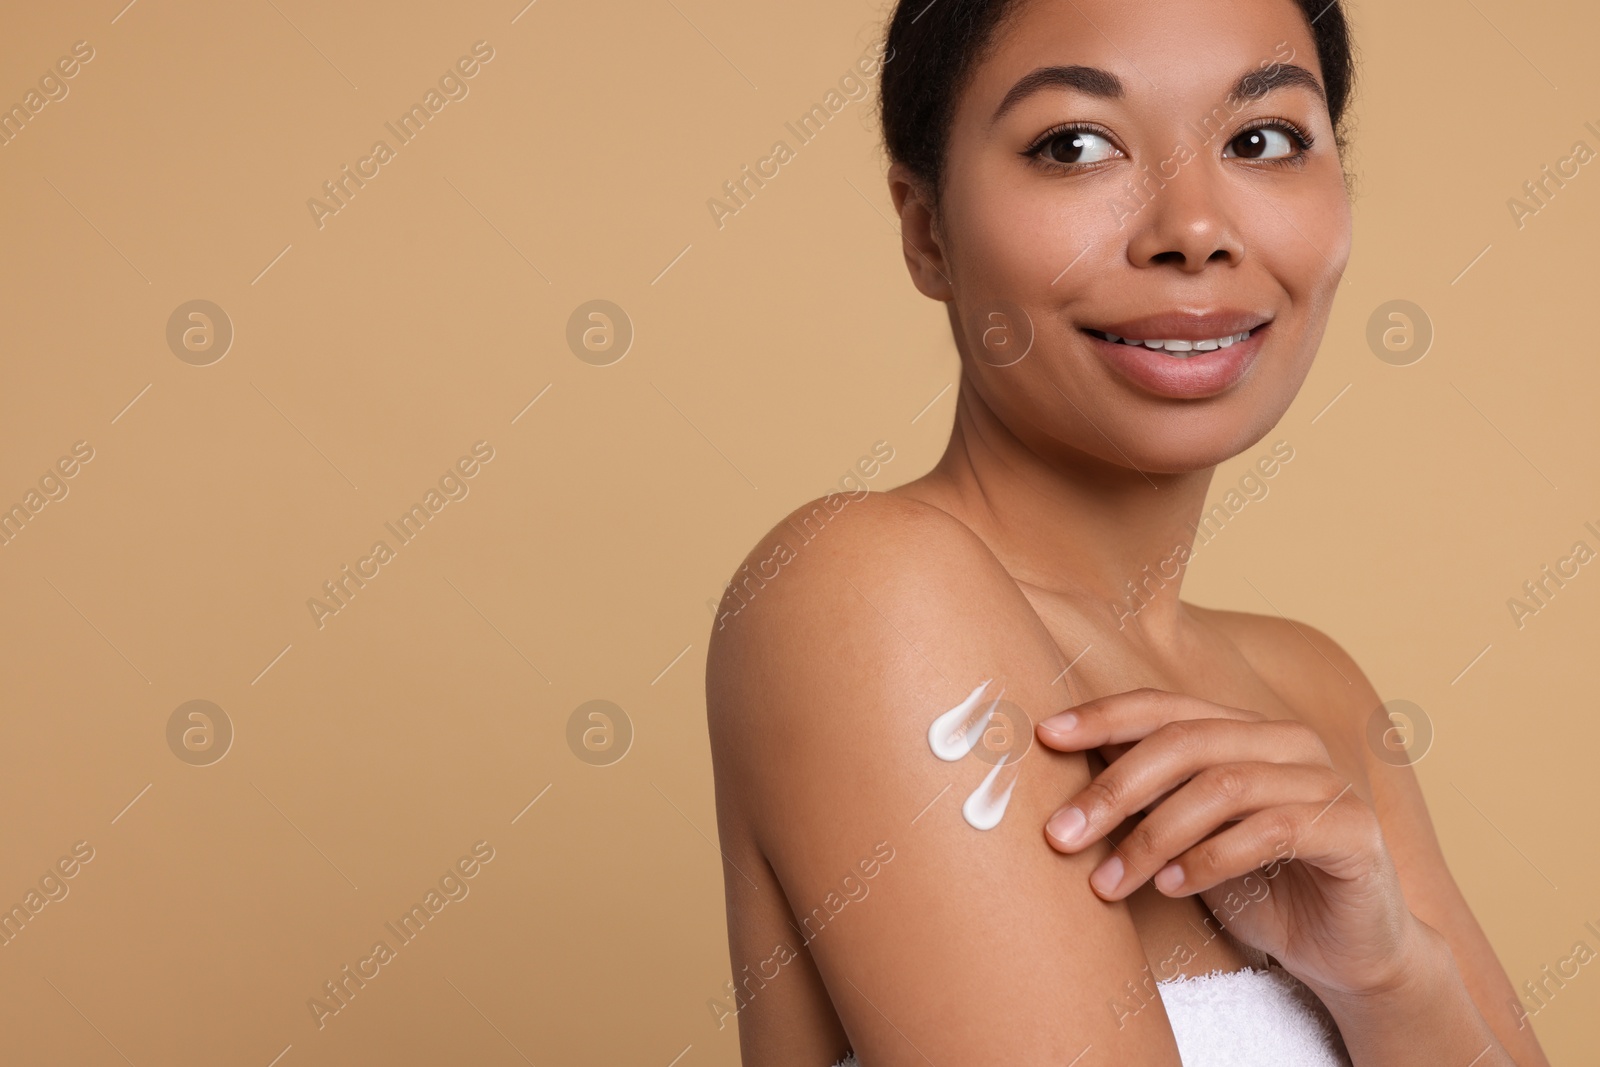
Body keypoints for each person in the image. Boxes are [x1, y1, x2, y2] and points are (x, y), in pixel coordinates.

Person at [704, 0, 1551, 1063]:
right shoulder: (863, 594)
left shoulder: (1313, 688)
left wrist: (1387, 977)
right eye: (1075, 145)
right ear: (926, 228)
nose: (1193, 228)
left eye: (1262, 139)